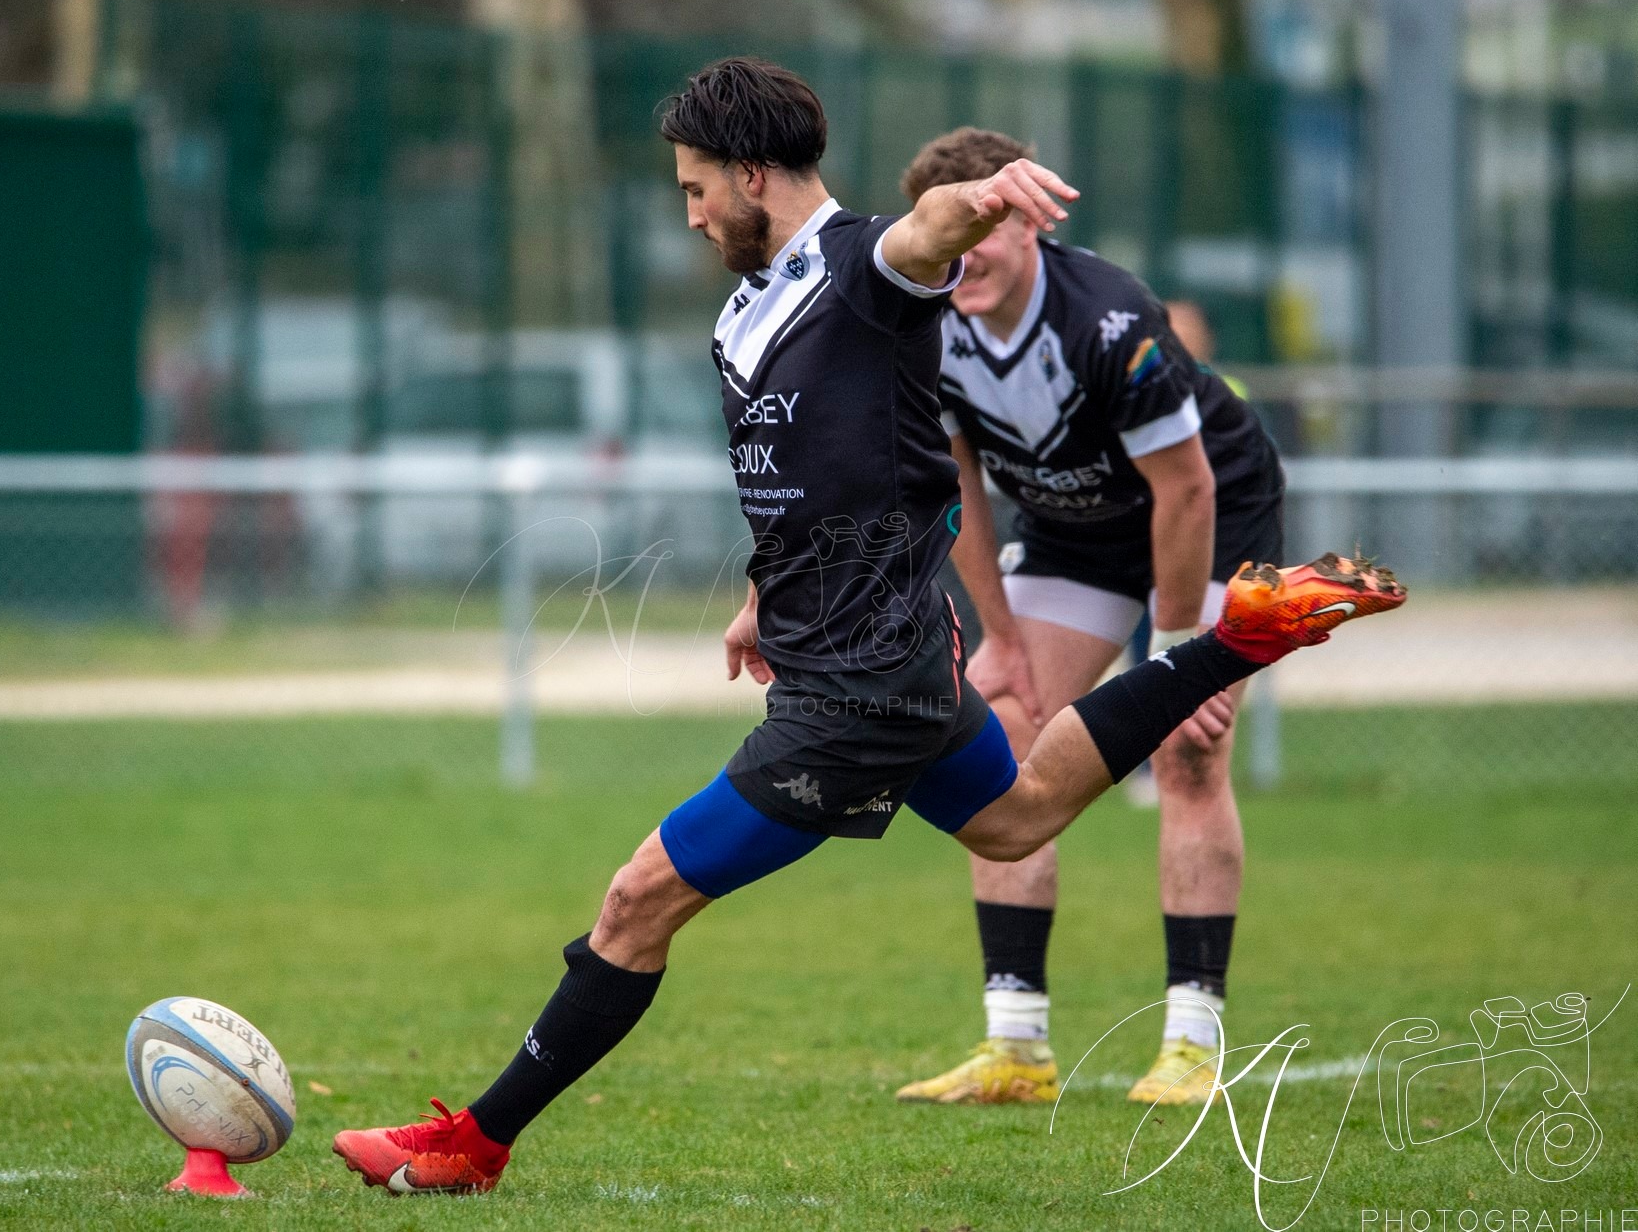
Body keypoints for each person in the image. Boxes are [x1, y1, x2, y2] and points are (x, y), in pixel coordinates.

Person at [331, 59, 1403, 1196]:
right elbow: (819, 474)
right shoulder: (754, 303)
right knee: (1015, 818)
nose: (690, 214)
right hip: (884, 649)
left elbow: (924, 231)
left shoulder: (863, 267)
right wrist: (762, 594)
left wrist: (987, 194)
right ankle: (1243, 636)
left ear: (754, 174)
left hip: (857, 689)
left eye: (698, 189)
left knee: (638, 897)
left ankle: (474, 1144)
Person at [892, 128, 1289, 1110]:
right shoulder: (926, 325)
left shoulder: (1110, 321)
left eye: (983, 225)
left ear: (1026, 220)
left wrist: (1182, 655)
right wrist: (1004, 640)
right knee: (1004, 738)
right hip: (1072, 533)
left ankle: (1192, 1046)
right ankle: (1015, 1047)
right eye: (949, 232)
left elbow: (1187, 491)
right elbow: (961, 490)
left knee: (1189, 751)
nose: (964, 252)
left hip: (1207, 512)